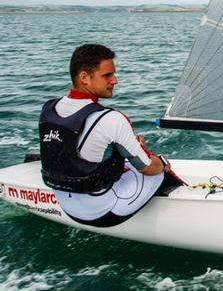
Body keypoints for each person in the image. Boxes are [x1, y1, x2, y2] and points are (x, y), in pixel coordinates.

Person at [39, 43, 171, 227]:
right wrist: (162, 163)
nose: (115, 80)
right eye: (107, 75)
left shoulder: (49, 108)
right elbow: (148, 168)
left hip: (65, 204)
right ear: (84, 77)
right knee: (159, 170)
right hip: (101, 212)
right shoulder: (112, 119)